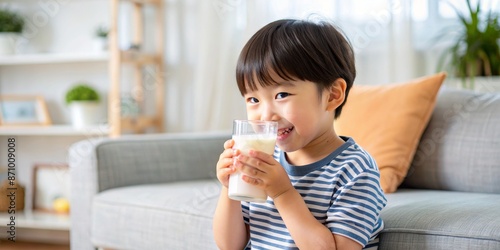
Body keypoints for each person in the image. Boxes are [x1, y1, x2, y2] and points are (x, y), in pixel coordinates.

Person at [213, 18, 387, 250]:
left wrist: (283, 193)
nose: (266, 115)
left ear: (333, 95)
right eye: (253, 99)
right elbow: (229, 245)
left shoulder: (355, 170)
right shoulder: (263, 158)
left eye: (282, 95)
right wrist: (229, 188)